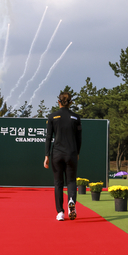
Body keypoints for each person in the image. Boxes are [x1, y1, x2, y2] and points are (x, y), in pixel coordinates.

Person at [44, 92, 82, 221]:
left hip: (57, 154)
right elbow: (79, 138)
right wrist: (77, 153)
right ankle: (71, 201)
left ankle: (60, 212)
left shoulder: (52, 117)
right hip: (71, 153)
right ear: (71, 103)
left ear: (58, 102)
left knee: (58, 183)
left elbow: (49, 137)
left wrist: (46, 155)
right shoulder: (76, 117)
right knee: (71, 181)